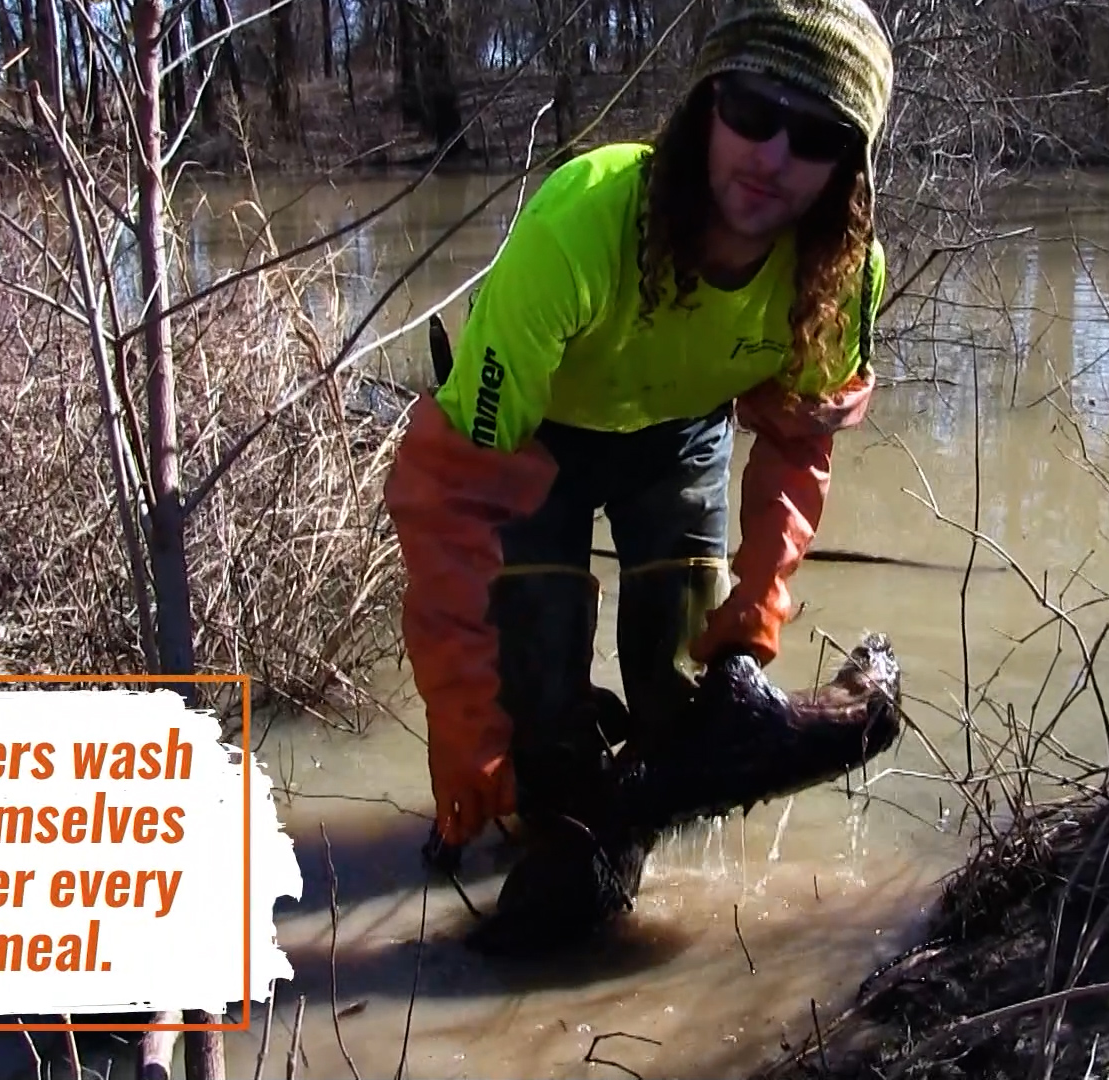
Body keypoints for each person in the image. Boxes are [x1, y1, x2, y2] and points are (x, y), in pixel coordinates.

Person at [382, 0, 896, 910]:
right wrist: (464, 718)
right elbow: (450, 500)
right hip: (534, 440)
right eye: (752, 112)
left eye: (815, 135)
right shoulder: (581, 224)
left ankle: (632, 866)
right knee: (534, 702)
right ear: (706, 106)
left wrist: (762, 595)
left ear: (847, 169)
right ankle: (541, 828)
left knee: (676, 684)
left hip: (679, 434)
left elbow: (795, 441)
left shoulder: (845, 272)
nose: (773, 157)